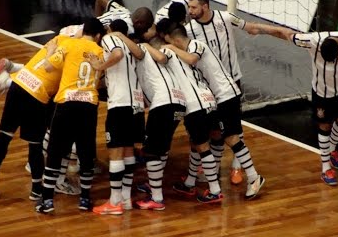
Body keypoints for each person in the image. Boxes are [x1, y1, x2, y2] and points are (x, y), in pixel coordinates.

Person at [185, 0, 285, 185]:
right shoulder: (189, 30)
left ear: (205, 6)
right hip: (209, 86)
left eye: (194, 7)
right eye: (189, 7)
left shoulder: (225, 18)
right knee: (215, 130)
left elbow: (253, 28)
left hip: (232, 81)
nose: (191, 10)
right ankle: (212, 170)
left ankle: (237, 167)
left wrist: (280, 32)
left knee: (234, 129)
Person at [164, 23, 266, 200]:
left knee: (231, 137)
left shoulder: (196, 45)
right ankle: (193, 180)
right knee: (211, 135)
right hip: (217, 98)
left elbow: (192, 59)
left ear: (177, 40)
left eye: (173, 43)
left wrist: (170, 47)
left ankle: (253, 177)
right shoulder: (187, 50)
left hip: (226, 95)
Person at [269, 26, 338, 185]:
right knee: (324, 126)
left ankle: (332, 149)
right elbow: (285, 33)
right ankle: (326, 168)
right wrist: (257, 28)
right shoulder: (311, 40)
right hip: (322, 93)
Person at [0, 33, 68, 200]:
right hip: (37, 95)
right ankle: (36, 189)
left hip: (20, 83)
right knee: (35, 145)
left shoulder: (58, 39)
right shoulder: (75, 55)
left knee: (5, 134)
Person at [35, 18, 106, 213]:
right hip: (88, 105)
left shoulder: (68, 44)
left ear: (83, 31)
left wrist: (49, 52)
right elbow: (98, 78)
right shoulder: (99, 51)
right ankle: (84, 199)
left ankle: (48, 201)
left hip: (66, 102)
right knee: (85, 153)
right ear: (98, 36)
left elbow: (48, 67)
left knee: (55, 151)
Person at [120, 12, 187, 211]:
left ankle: (156, 198)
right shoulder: (153, 53)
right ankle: (153, 186)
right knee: (162, 147)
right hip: (179, 102)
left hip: (164, 103)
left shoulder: (140, 51)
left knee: (150, 151)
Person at [86, 19, 146, 215]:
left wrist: (100, 66)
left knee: (115, 153)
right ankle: (126, 198)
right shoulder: (130, 44)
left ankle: (114, 202)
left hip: (120, 103)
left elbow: (117, 54)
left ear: (109, 30)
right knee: (128, 152)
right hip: (136, 104)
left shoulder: (109, 39)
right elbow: (140, 54)